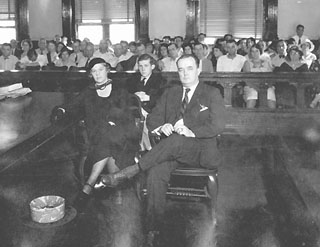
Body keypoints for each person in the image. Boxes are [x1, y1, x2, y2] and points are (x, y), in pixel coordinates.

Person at [100, 54, 226, 241]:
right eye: (181, 69)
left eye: (189, 68)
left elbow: (218, 125)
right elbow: (152, 119)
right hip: (171, 152)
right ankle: (153, 228)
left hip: (200, 151)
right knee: (156, 172)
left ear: (199, 69)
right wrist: (161, 127)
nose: (185, 74)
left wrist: (191, 131)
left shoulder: (211, 93)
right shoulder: (171, 93)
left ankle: (129, 171)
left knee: (176, 140)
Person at [50, 58, 142, 209]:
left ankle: (87, 187)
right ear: (91, 74)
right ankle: (116, 190)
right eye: (94, 71)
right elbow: (71, 105)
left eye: (100, 69)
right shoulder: (88, 92)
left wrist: (114, 122)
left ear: (107, 70)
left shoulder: (119, 90)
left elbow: (127, 115)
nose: (97, 74)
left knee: (110, 138)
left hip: (121, 132)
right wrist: (61, 109)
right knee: (107, 140)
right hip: (97, 134)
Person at [127, 54, 165, 151]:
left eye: (146, 66)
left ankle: (145, 149)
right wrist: (135, 96)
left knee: (142, 121)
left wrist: (148, 97)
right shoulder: (133, 79)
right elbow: (124, 95)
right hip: (133, 111)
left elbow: (163, 99)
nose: (143, 69)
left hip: (151, 111)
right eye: (140, 66)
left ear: (152, 66)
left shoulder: (160, 80)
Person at [242, 44, 275, 108]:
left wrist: (266, 86)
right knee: (252, 95)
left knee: (270, 94)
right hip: (251, 86)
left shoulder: (267, 62)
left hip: (266, 86)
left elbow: (271, 76)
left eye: (257, 51)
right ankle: (249, 116)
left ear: (260, 51)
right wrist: (256, 87)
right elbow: (246, 79)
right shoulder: (247, 63)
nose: (255, 53)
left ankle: (272, 116)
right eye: (252, 51)